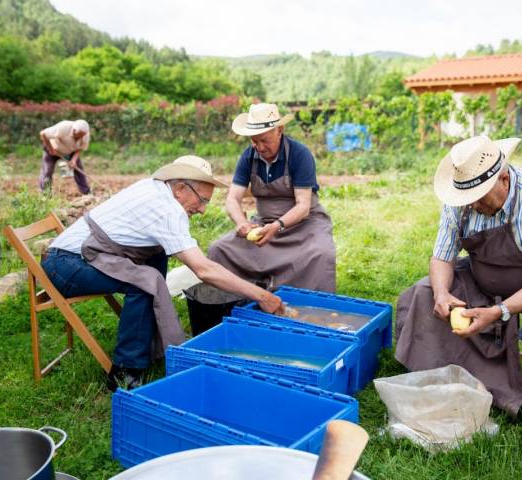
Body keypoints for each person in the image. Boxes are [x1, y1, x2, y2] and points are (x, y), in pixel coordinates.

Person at [395, 136, 522, 463]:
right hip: (485, 273)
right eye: (466, 199)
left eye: (478, 199)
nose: (471, 206)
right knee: (423, 293)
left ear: (504, 179)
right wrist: (442, 293)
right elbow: (442, 257)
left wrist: (499, 311)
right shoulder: (462, 199)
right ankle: (450, 394)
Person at [41, 155, 285, 391]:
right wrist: (261, 296)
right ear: (180, 188)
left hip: (82, 255)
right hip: (65, 266)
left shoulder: (156, 189)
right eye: (202, 200)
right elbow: (204, 269)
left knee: (156, 255)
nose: (202, 210)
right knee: (145, 283)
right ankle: (124, 371)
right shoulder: (166, 209)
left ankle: (147, 341)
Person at [185, 103, 336, 333]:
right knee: (219, 249)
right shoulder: (248, 157)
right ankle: (240, 304)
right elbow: (232, 199)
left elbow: (303, 206)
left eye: (264, 139)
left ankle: (311, 317)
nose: (259, 146)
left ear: (279, 131)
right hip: (264, 223)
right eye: (254, 140)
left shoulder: (299, 154)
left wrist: (277, 226)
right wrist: (242, 224)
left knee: (320, 254)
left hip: (303, 223)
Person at [39, 119, 91, 195]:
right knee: (48, 170)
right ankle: (45, 193)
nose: (80, 137)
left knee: (79, 169)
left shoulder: (85, 135)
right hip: (53, 149)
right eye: (78, 135)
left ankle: (86, 192)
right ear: (74, 130)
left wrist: (73, 160)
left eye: (82, 136)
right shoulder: (64, 127)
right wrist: (50, 149)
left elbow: (81, 148)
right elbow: (43, 134)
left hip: (70, 151)